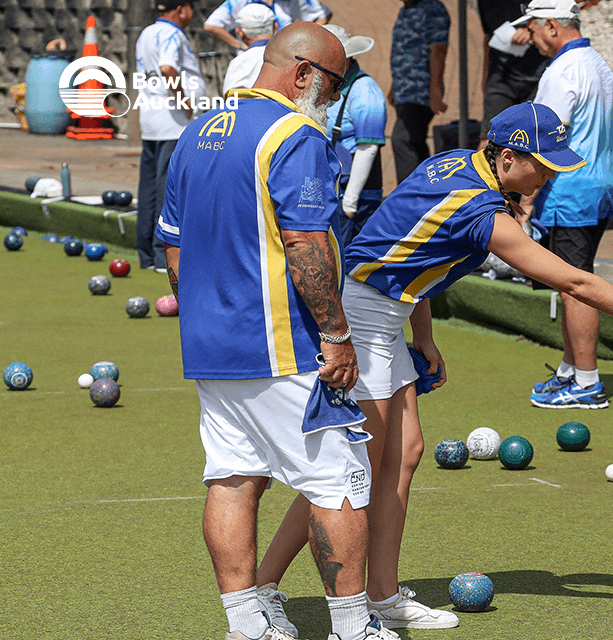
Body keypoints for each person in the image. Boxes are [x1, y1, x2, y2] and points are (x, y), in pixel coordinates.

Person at [251, 102, 613, 635]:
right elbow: (575, 282)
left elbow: (413, 247)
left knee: (405, 451)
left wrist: (423, 335)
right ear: (507, 156)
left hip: (387, 309)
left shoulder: (456, 163)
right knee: (344, 472)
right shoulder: (484, 214)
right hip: (363, 316)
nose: (548, 176)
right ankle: (265, 589)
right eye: (543, 166)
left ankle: (383, 596)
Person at [155, 22, 398, 640]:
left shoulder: (197, 131)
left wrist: (204, 316)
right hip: (281, 345)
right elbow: (306, 242)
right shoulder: (296, 134)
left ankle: (248, 624)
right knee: (340, 478)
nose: (337, 97)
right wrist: (337, 334)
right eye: (336, 83)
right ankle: (351, 625)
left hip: (212, 346)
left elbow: (174, 248)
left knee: (232, 477)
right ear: (303, 73)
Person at [514, 0, 613, 409]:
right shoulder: (596, 62)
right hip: (597, 186)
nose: (533, 39)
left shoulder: (561, 71)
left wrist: (524, 201)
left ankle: (588, 381)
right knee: (571, 283)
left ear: (553, 26)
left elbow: (544, 144)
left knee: (577, 287)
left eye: (535, 30)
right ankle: (569, 370)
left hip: (570, 191)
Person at [135, 0, 206, 273]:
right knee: (169, 189)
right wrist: (185, 102)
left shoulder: (146, 32)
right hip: (173, 122)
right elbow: (167, 68)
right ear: (181, 9)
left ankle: (146, 253)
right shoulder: (172, 33)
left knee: (149, 187)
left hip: (152, 120)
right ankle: (161, 257)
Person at [323, 25, 387, 246]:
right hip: (333, 190)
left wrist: (349, 204)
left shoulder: (364, 90)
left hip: (354, 197)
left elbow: (368, 147)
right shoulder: (329, 85)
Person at [389, 0, 450, 184]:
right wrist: (394, 86)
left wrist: (435, 91)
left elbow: (438, 50)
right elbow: (403, 50)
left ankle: (410, 195)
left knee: (403, 140)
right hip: (404, 90)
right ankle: (426, 191)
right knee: (415, 142)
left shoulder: (432, 9)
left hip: (420, 91)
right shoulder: (406, 9)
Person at [477, 0, 549, 145]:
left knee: (534, 141)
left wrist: (531, 30)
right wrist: (485, 75)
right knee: (489, 140)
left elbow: (560, 25)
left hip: (538, 78)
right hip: (501, 78)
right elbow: (488, 36)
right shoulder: (488, 4)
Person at [204, 0, 332, 53]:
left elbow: (323, 15)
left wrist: (304, 42)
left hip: (286, 61)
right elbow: (211, 26)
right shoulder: (240, 1)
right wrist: (242, 46)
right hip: (251, 62)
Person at [222, 3, 277, 95]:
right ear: (275, 27)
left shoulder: (238, 63)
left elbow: (232, 104)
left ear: (239, 32)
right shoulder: (292, 57)